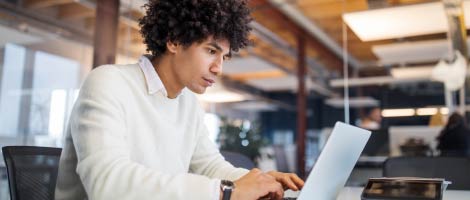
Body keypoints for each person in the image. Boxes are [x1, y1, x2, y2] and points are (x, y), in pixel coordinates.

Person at [54, 0, 304, 200]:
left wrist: (259, 181)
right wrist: (226, 193)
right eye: (210, 50)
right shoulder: (108, 83)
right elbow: (108, 183)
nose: (218, 68)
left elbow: (210, 167)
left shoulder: (188, 105)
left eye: (224, 57)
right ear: (174, 40)